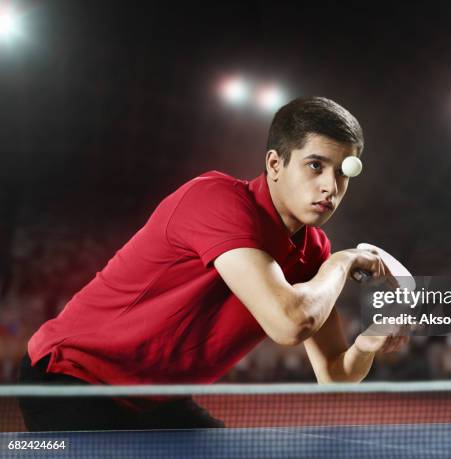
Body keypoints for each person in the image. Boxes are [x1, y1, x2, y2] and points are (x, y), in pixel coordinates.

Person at [18, 96, 407, 431]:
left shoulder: (312, 251)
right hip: (72, 380)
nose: (330, 186)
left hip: (155, 400)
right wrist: (341, 264)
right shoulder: (216, 201)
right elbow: (289, 323)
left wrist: (368, 342)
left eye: (343, 173)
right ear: (274, 164)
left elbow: (335, 377)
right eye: (315, 166)